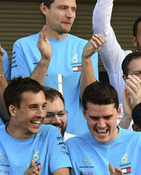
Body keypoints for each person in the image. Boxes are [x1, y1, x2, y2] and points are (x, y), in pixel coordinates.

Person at [11, 0, 102, 137]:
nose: (70, 15)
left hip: (80, 137)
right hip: (38, 136)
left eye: (73, 9)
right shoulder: (23, 45)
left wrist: (87, 59)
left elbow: (90, 100)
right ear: (44, 8)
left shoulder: (85, 46)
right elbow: (22, 98)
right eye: (63, 8)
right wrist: (44, 60)